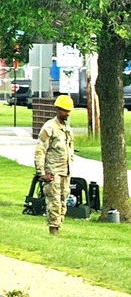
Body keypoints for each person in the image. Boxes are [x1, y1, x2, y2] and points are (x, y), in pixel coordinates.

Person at [34, 94, 75, 236]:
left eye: (69, 110)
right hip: (52, 173)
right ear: (57, 109)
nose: (67, 113)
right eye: (65, 110)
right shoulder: (49, 127)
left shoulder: (67, 129)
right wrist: (42, 173)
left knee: (64, 202)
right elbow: (40, 151)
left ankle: (58, 228)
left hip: (65, 172)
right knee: (54, 203)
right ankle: (53, 232)